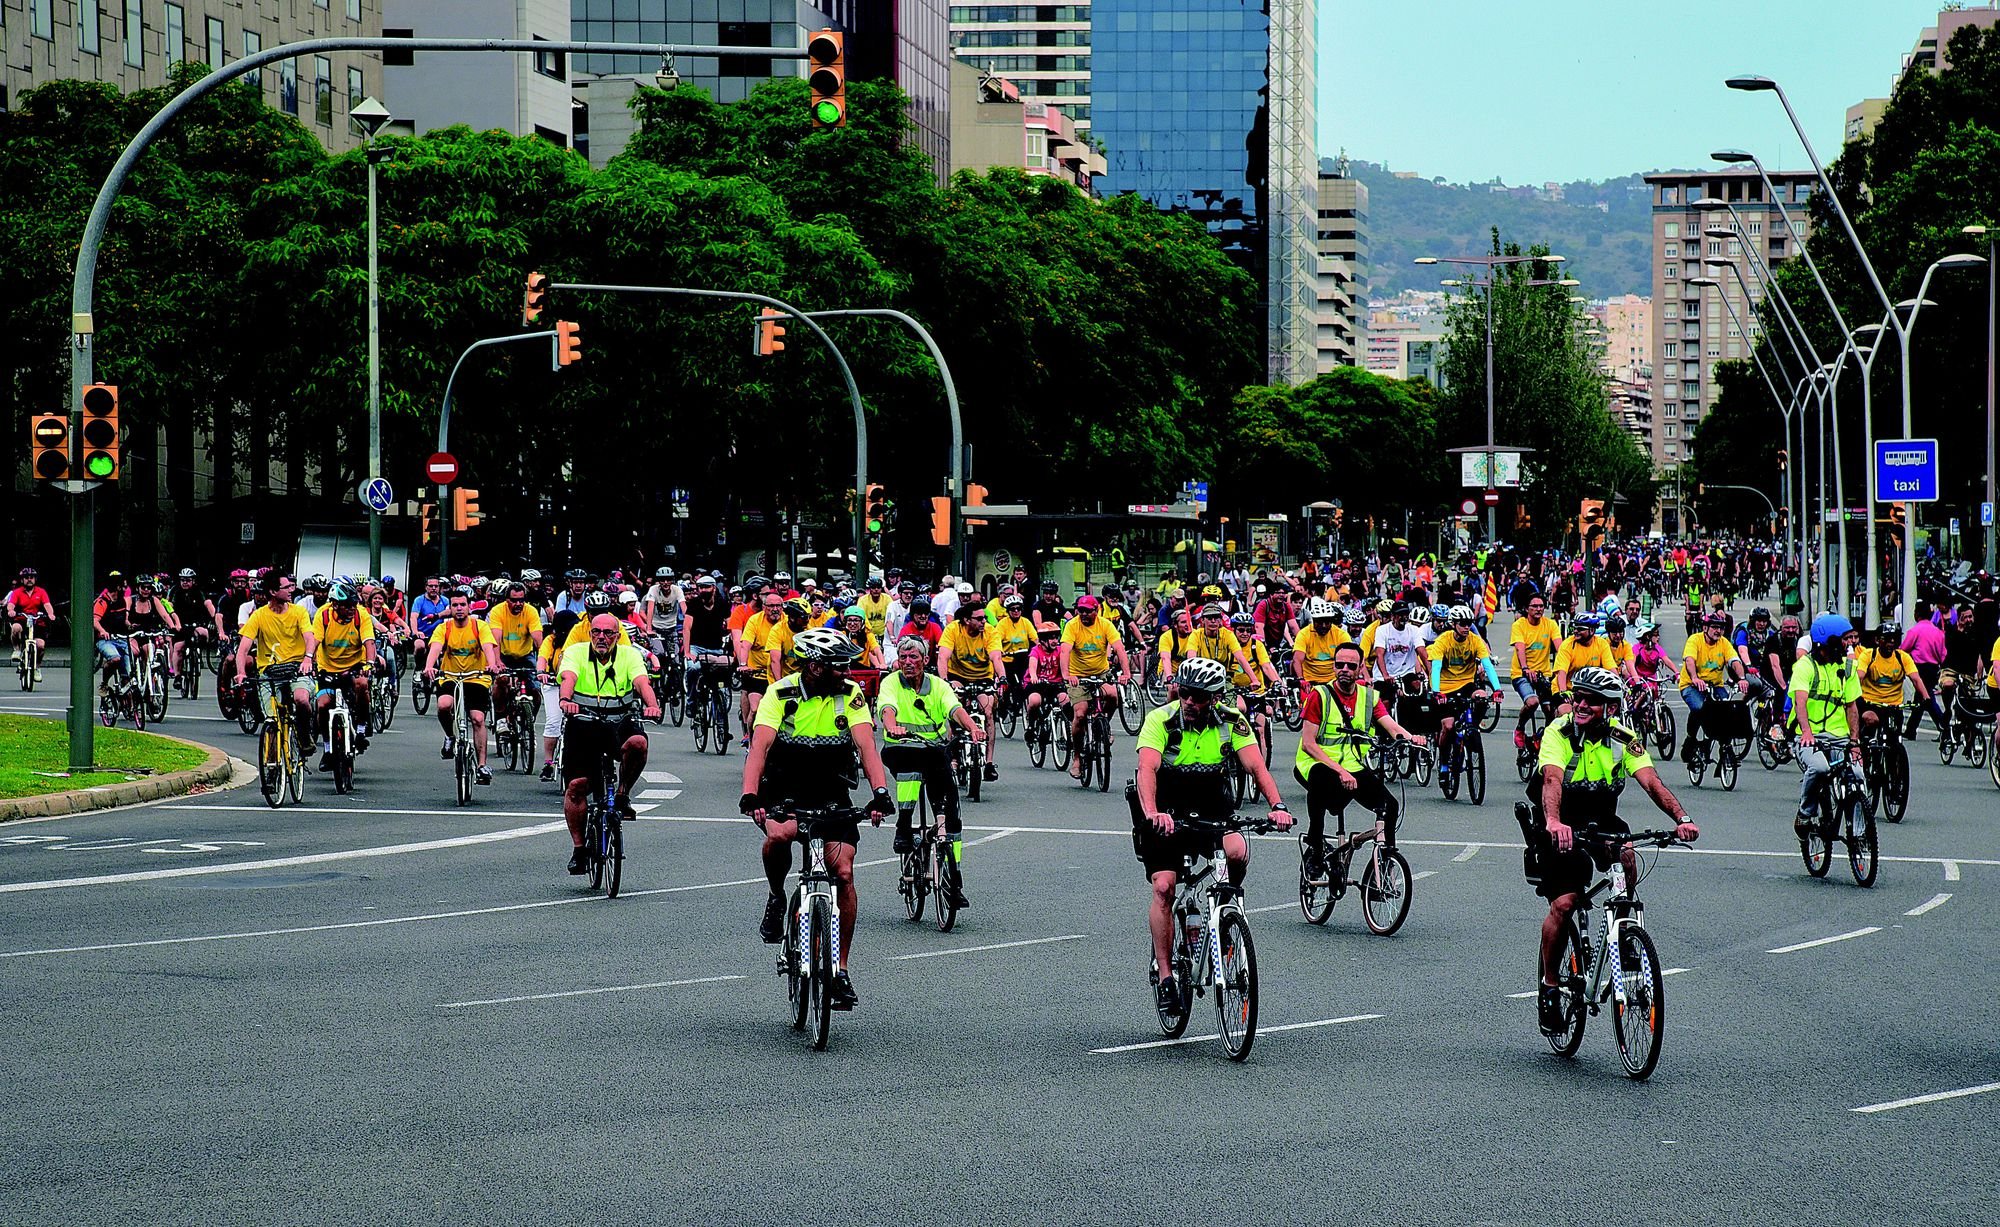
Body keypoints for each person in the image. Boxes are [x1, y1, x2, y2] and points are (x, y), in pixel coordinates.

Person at [1527, 666, 1698, 1034]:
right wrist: (1554, 823)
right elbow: (1552, 781)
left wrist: (1682, 817)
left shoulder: (1624, 737)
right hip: (1561, 821)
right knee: (1565, 904)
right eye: (1578, 697)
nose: (1582, 705)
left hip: (1601, 818)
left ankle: (1625, 930)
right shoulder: (1558, 733)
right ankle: (1550, 986)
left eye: (1593, 700)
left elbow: (1651, 781)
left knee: (1627, 852)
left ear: (1611, 707)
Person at [739, 629, 896, 1011]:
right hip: (784, 789)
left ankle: (840, 969)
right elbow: (759, 747)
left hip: (831, 792)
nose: (841, 673)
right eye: (833, 666)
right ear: (812, 665)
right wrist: (750, 794)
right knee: (778, 837)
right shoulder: (780, 694)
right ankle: (777, 897)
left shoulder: (850, 695)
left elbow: (865, 746)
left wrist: (879, 794)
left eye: (843, 666)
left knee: (843, 871)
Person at [1131, 658, 1293, 1014]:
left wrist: (1278, 805)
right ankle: (1167, 975)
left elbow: (1256, 766)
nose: (1190, 701)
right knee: (1164, 887)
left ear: (1215, 698)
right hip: (1166, 810)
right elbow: (1147, 770)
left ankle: (1227, 908)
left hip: (1211, 806)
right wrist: (1153, 813)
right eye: (1185, 693)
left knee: (1237, 851)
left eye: (1199, 696)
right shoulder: (1161, 720)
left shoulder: (1233, 722)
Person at [1295, 642, 1424, 881]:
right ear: (1333, 667)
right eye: (1339, 664)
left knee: (1390, 805)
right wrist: (1340, 772)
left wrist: (1411, 737)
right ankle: (1314, 848)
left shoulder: (1368, 697)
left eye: (1351, 665)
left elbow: (1390, 725)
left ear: (1360, 668)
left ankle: (1383, 868)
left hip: (1353, 766)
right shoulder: (1319, 695)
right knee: (1320, 786)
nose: (1344, 669)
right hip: (1317, 763)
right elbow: (1308, 744)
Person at [876, 637, 980, 906]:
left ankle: (953, 879)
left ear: (925, 660)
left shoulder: (938, 685)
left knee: (951, 812)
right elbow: (887, 709)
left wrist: (971, 727)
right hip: (901, 748)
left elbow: (954, 709)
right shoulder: (890, 682)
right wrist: (892, 726)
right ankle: (903, 825)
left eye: (913, 658)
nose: (908, 663)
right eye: (903, 658)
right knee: (911, 769)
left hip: (933, 751)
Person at [557, 612, 661, 873]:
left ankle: (623, 794)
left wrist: (652, 705)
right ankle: (579, 849)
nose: (601, 637)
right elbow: (568, 678)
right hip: (583, 721)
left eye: (608, 633)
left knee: (638, 743)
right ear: (590, 633)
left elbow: (641, 682)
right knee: (577, 786)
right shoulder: (576, 652)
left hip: (620, 719)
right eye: (596, 632)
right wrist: (565, 700)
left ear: (617, 635)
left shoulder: (629, 655)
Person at [1789, 614, 1862, 839]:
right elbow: (1799, 702)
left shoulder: (1847, 667)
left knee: (1858, 776)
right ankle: (1805, 813)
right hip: (1809, 735)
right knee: (1819, 768)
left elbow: (1852, 707)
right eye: (1844, 639)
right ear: (1828, 641)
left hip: (1839, 735)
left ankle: (1859, 834)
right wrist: (1807, 733)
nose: (1850, 644)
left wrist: (1855, 742)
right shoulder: (1805, 666)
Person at [423, 586, 501, 785]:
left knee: (477, 718)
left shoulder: (479, 626)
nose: (459, 608)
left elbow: (487, 646)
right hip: (450, 676)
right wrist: (429, 667)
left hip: (476, 677)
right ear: (450, 607)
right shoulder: (444, 627)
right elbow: (436, 647)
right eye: (455, 605)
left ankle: (482, 765)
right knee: (443, 706)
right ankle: (450, 736)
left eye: (462, 605)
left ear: (469, 607)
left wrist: (491, 664)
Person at [234, 573, 317, 739]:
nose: (291, 590)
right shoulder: (258, 615)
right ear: (272, 591)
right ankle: (271, 763)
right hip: (269, 672)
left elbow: (309, 637)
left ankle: (305, 733)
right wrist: (241, 672)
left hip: (296, 669)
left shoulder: (299, 612)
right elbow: (243, 649)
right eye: (286, 587)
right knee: (271, 722)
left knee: (301, 699)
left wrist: (308, 658)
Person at [1059, 595, 1131, 779]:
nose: (1083, 614)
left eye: (1087, 611)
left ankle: (1104, 726)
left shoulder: (1105, 625)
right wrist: (1067, 675)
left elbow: (1119, 649)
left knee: (1114, 695)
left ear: (1096, 610)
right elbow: (1065, 650)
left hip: (1100, 673)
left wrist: (1126, 673)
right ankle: (1076, 758)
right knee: (1081, 714)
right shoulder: (1072, 626)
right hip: (1078, 676)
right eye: (1080, 610)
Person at [310, 581, 377, 768]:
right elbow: (315, 640)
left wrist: (369, 664)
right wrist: (309, 660)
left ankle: (362, 728)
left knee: (362, 685)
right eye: (347, 605)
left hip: (355, 665)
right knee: (323, 705)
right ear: (335, 605)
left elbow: (369, 642)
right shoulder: (323, 615)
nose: (351, 609)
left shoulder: (361, 615)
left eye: (354, 604)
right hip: (328, 667)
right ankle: (329, 749)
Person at [1428, 604, 1503, 766]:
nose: (1466, 627)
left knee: (1482, 698)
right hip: (1444, 688)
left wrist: (1497, 689)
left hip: (1466, 684)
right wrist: (1436, 691)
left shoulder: (1475, 640)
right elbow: (1436, 667)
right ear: (1453, 624)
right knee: (1447, 727)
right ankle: (1443, 762)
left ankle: (1472, 729)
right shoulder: (1443, 641)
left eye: (1469, 623)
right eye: (1462, 623)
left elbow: (1487, 665)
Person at [937, 604, 1003, 781]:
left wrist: (1002, 677)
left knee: (988, 712)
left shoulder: (990, 631)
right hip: (957, 675)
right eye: (979, 618)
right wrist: (944, 681)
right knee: (953, 707)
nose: (984, 622)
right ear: (967, 620)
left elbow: (996, 656)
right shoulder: (953, 629)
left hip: (983, 677)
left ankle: (989, 763)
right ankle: (953, 755)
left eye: (985, 618)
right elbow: (943, 656)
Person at [1679, 610, 1744, 760]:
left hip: (1715, 685)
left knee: (1727, 709)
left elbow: (1734, 661)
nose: (1718, 631)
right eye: (1714, 627)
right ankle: (1691, 738)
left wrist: (1741, 678)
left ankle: (1722, 744)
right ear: (1705, 628)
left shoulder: (1723, 643)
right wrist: (1695, 678)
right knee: (1700, 708)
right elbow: (1689, 660)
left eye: (1721, 628)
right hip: (1691, 685)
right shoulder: (1695, 640)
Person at [487, 581, 544, 740]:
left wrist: (542, 662)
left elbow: (538, 638)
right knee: (501, 682)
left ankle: (528, 722)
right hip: (504, 654)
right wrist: (497, 661)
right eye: (514, 600)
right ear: (507, 600)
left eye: (521, 600)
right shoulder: (497, 611)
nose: (518, 604)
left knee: (536, 692)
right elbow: (495, 638)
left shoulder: (531, 611)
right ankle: (500, 719)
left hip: (525, 656)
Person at [1508, 592, 1562, 746]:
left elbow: (1560, 647)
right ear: (1527, 609)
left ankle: (1544, 738)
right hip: (1522, 674)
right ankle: (1519, 728)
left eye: (1541, 606)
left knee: (1550, 709)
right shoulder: (1519, 625)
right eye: (1534, 606)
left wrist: (1563, 666)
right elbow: (1520, 648)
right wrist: (1525, 668)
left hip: (1543, 674)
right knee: (1532, 702)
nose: (1538, 609)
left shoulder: (1550, 624)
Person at [7, 567, 56, 682]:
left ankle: (37, 668)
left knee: (40, 645)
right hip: (22, 619)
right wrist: (11, 611)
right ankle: (17, 650)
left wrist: (50, 614)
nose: (29, 580)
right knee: (15, 628)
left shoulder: (41, 591)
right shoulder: (17, 592)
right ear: (22, 580)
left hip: (37, 621)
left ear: (35, 579)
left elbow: (47, 605)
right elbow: (11, 604)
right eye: (26, 578)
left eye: (31, 578)